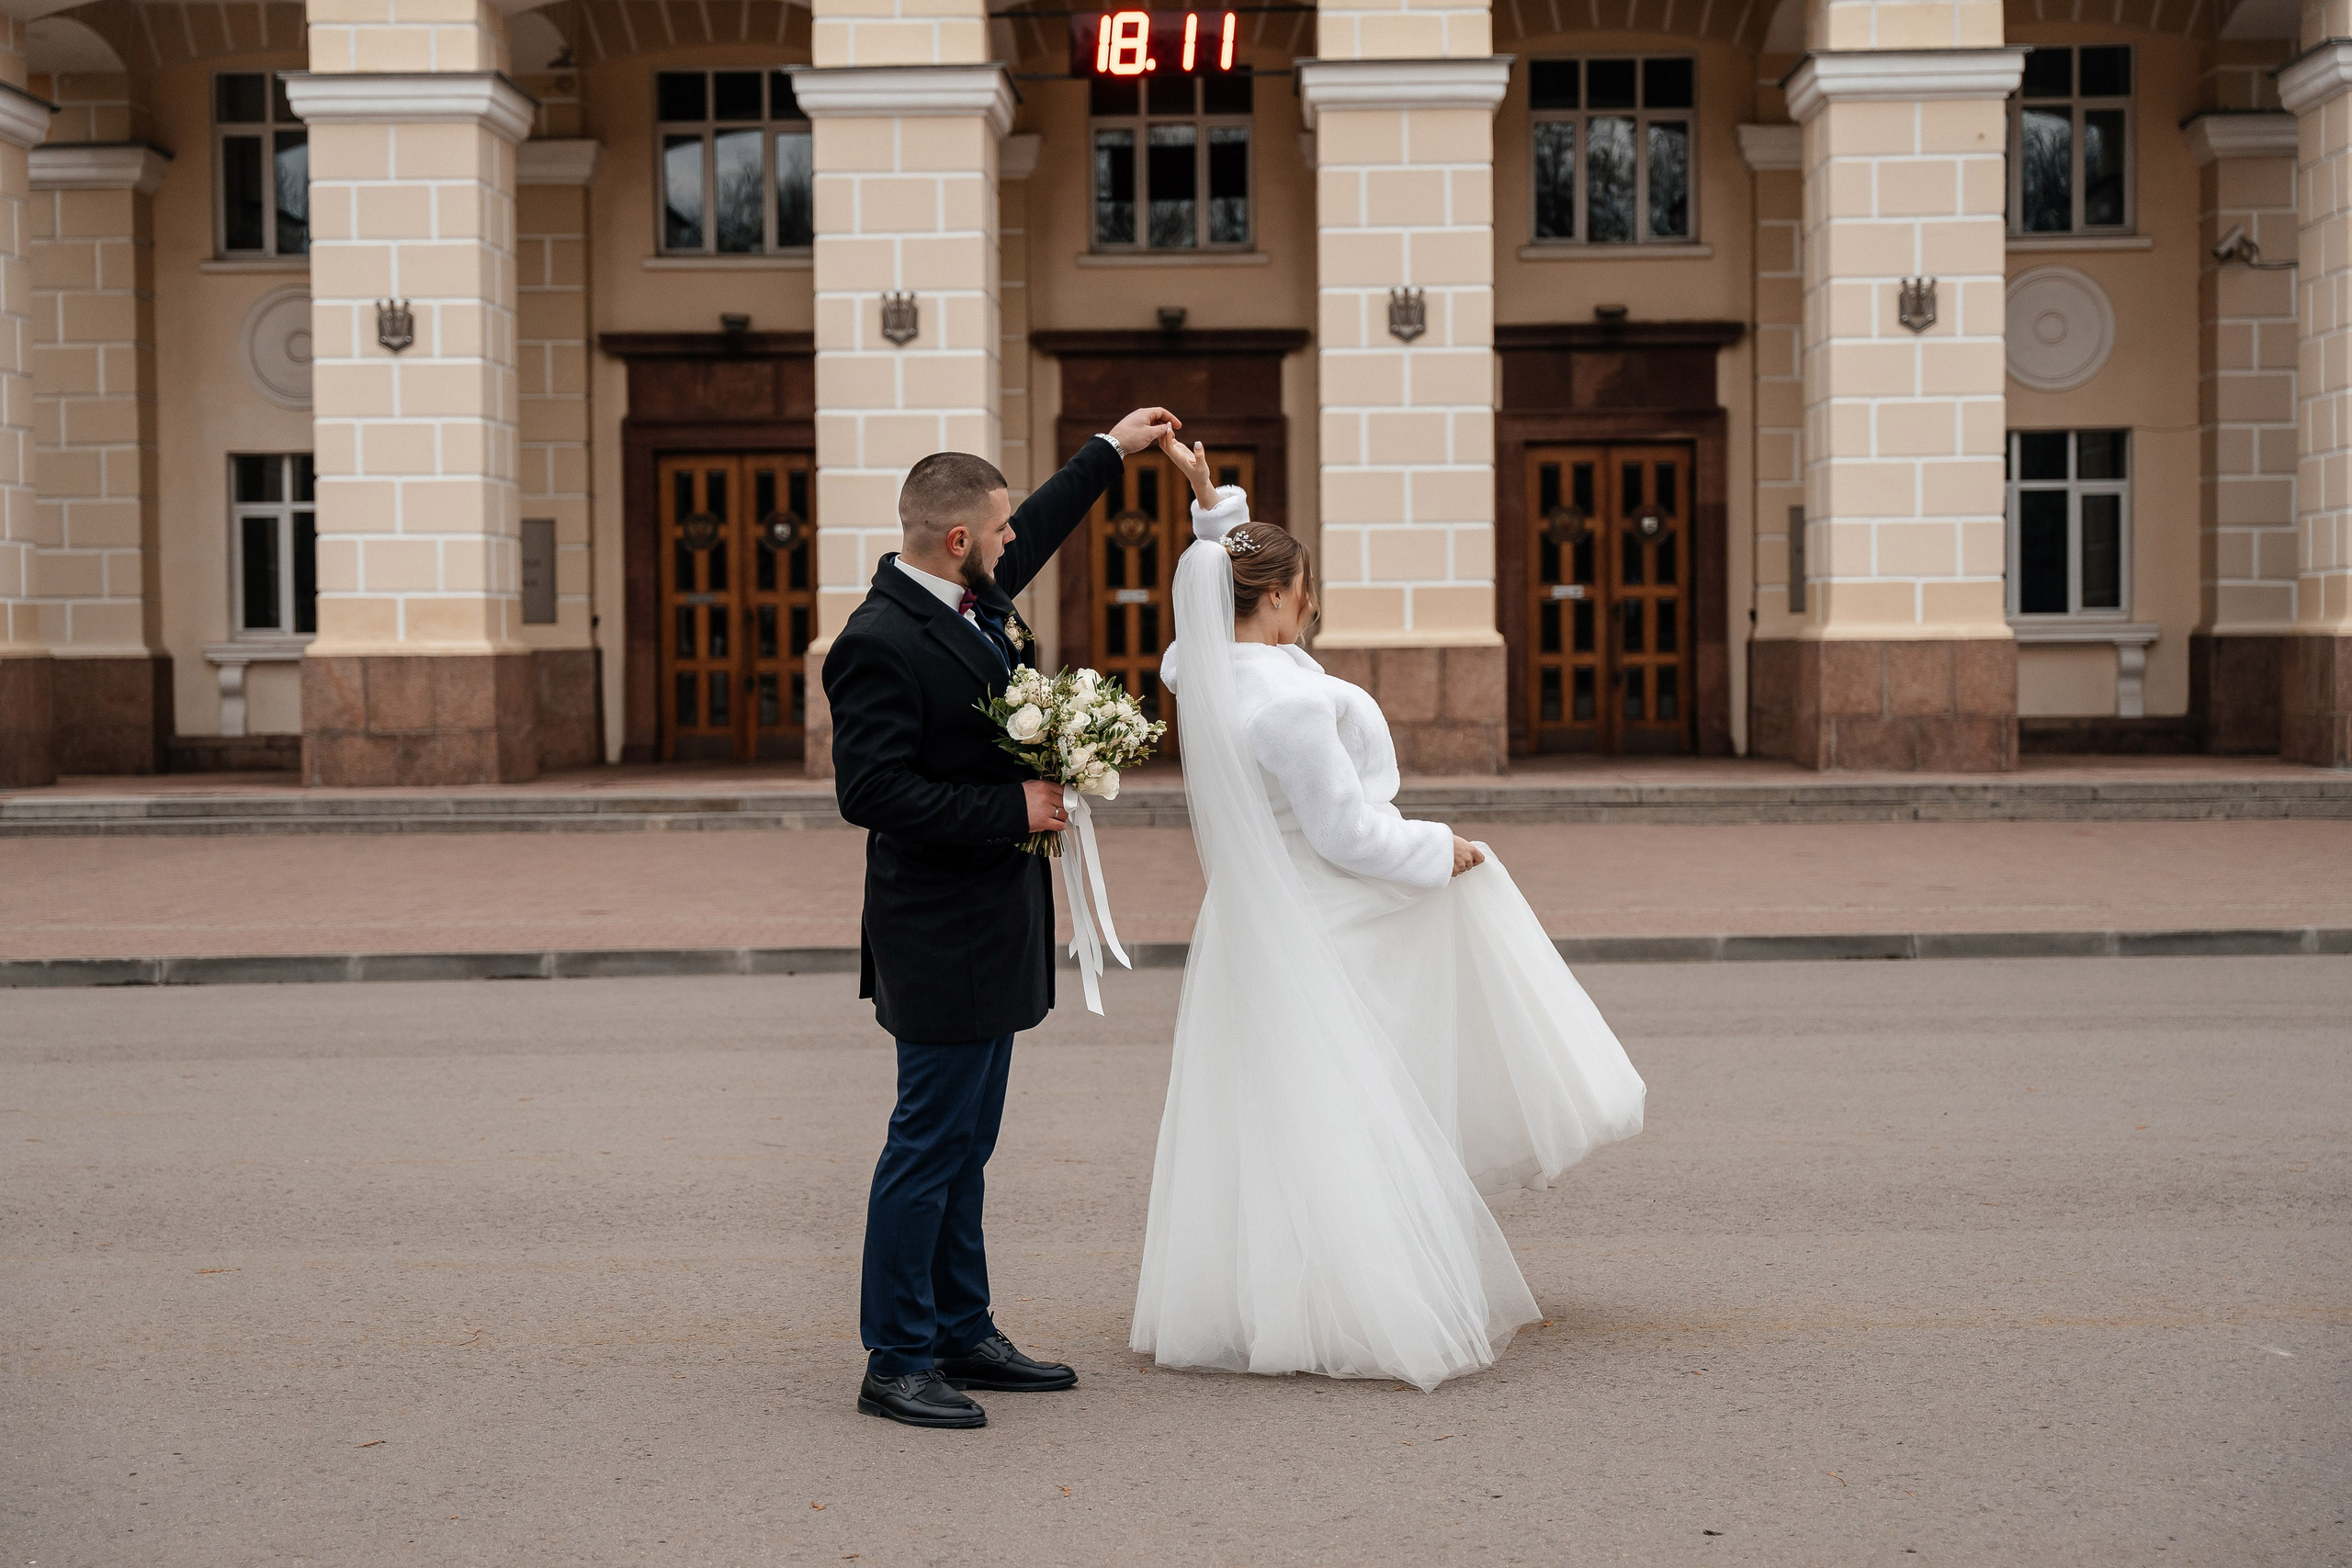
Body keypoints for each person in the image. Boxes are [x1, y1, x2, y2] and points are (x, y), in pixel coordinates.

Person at [1130, 434, 1648, 1393]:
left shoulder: (1196, 672)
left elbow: (1210, 612)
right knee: (1348, 1102)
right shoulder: (1284, 700)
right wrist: (1434, 848)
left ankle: (1264, 1296)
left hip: (1255, 918)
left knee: (1274, 1105)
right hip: (1326, 914)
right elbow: (1344, 835)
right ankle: (1353, 1299)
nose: (1313, 606)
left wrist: (1217, 519)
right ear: (1283, 599)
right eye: (1305, 590)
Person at [825, 407, 1182, 1429]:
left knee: (967, 1143)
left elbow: (1050, 519)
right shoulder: (879, 640)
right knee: (927, 1145)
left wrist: (1110, 452)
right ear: (955, 540)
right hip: (934, 932)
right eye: (999, 527)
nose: (1012, 536)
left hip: (993, 920)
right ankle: (895, 1358)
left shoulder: (973, 603)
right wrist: (1008, 806)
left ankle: (960, 1329)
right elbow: (871, 792)